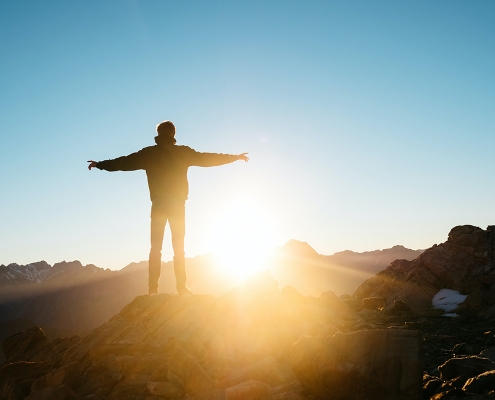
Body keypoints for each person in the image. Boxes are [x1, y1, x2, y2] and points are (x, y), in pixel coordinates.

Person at [88, 120, 248, 296]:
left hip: (158, 205)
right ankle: (181, 288)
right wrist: (235, 157)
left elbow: (123, 162)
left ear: (159, 133)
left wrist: (99, 164)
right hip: (178, 205)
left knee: (155, 247)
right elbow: (208, 158)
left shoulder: (149, 153)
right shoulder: (183, 153)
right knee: (179, 247)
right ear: (173, 134)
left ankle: (152, 289)